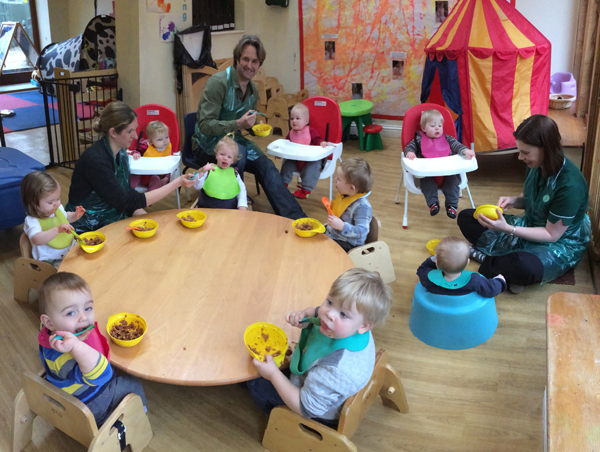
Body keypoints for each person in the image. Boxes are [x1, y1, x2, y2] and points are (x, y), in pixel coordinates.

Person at [457, 115, 591, 293]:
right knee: (467, 217)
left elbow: (552, 235)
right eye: (519, 151)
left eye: (525, 152)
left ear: (546, 149)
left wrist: (507, 229)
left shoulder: (570, 185)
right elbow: (533, 197)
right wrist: (514, 200)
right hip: (531, 225)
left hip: (561, 242)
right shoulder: (536, 164)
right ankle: (504, 269)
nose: (520, 157)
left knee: (524, 266)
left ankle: (490, 260)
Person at [248, 268, 393, 426]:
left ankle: (269, 408)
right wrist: (306, 315)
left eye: (343, 314)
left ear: (365, 326)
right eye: (329, 302)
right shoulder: (351, 324)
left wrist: (273, 375)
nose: (329, 314)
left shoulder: (336, 370)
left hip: (314, 411)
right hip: (317, 383)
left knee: (255, 381)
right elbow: (318, 312)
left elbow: (305, 408)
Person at [192, 35, 305, 220]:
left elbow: (245, 121)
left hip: (234, 140)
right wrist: (237, 124)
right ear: (237, 58)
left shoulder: (253, 88)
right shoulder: (218, 83)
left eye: (255, 61)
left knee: (267, 166)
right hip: (206, 143)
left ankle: (297, 219)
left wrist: (255, 126)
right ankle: (238, 207)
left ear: (259, 64)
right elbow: (204, 125)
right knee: (241, 153)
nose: (249, 65)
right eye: (245, 59)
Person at [38, 272, 147, 426]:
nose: (83, 318)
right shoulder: (63, 359)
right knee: (132, 383)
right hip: (89, 404)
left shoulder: (47, 332)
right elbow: (102, 376)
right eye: (71, 312)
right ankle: (134, 415)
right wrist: (76, 346)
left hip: (72, 392)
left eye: (88, 308)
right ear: (49, 322)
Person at [66, 101, 194, 232]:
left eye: (135, 129)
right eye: (130, 131)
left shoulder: (121, 153)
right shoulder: (95, 160)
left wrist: (149, 220)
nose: (135, 136)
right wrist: (177, 182)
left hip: (110, 216)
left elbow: (127, 197)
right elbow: (128, 201)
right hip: (85, 225)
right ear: (113, 132)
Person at [404, 109, 475, 219]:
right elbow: (409, 147)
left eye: (439, 125)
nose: (437, 128)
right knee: (427, 184)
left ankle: (452, 206)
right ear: (424, 128)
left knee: (453, 183)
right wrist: (410, 152)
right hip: (427, 173)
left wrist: (465, 151)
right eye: (432, 126)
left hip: (447, 171)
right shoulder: (418, 140)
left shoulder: (447, 139)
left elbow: (457, 146)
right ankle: (433, 204)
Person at [21, 171, 86, 269]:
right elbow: (37, 239)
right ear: (34, 204)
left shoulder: (57, 208)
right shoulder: (32, 221)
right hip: (51, 261)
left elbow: (65, 217)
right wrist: (57, 230)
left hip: (70, 250)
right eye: (51, 202)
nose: (56, 203)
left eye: (58, 198)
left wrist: (75, 215)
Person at [417, 236, 506, 298]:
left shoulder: (428, 278)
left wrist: (432, 260)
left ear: (437, 264)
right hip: (462, 310)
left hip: (438, 308)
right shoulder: (475, 280)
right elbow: (491, 289)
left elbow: (421, 269)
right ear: (468, 262)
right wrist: (500, 281)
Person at [280, 103, 328, 199]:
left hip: (309, 161)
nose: (294, 121)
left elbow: (317, 139)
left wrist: (322, 142)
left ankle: (306, 190)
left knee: (313, 167)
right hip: (295, 160)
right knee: (286, 165)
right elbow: (285, 144)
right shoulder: (291, 133)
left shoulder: (310, 131)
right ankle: (282, 185)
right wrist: (280, 151)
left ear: (306, 121)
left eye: (297, 118)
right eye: (292, 118)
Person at [325, 157, 373, 251]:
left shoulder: (362, 207)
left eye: (338, 179)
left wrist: (342, 226)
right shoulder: (346, 194)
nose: (335, 179)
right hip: (334, 235)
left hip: (349, 245)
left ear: (351, 188)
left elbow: (362, 232)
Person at [191, 133, 248, 210]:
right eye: (222, 154)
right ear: (216, 154)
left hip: (229, 211)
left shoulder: (235, 173)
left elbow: (242, 190)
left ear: (233, 160)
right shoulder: (209, 170)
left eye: (229, 157)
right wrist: (202, 172)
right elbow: (197, 186)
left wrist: (242, 205)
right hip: (207, 209)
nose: (225, 158)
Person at [130, 120, 173, 192]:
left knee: (156, 180)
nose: (165, 141)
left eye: (167, 137)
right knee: (133, 176)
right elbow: (135, 151)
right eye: (160, 139)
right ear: (150, 141)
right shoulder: (145, 146)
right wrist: (135, 154)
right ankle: (128, 194)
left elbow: (169, 164)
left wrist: (167, 177)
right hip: (143, 174)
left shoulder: (168, 147)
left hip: (157, 176)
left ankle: (148, 202)